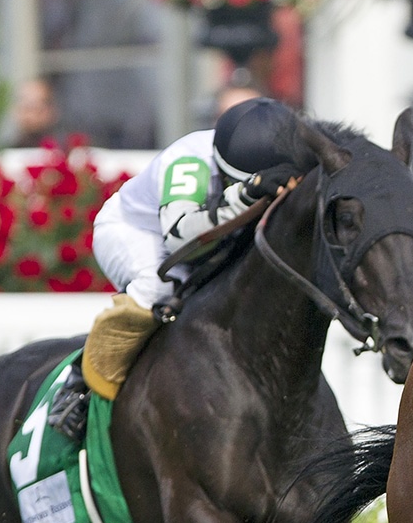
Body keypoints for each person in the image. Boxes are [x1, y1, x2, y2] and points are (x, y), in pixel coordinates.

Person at [47, 96, 302, 439]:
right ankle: (78, 387)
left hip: (204, 232)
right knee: (159, 288)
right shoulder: (189, 161)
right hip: (137, 229)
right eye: (232, 182)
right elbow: (180, 238)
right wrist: (245, 194)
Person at [5, 76, 66, 148]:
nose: (31, 115)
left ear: (52, 110)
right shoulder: (9, 150)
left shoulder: (63, 148)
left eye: (37, 108)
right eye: (26, 107)